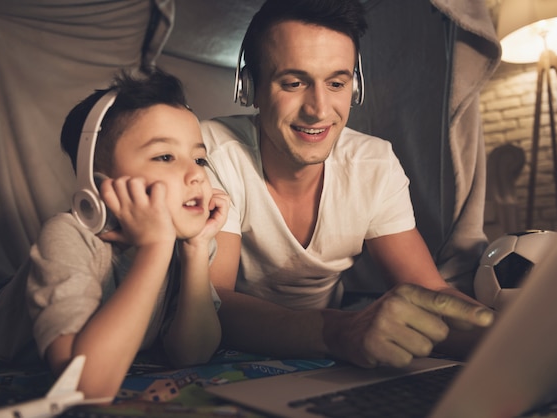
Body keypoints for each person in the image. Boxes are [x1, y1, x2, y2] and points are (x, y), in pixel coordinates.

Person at [201, 0, 494, 369]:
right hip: (264, 345)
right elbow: (215, 303)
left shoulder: (374, 164)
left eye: (337, 83)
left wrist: (512, 334)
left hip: (328, 341)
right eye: (293, 83)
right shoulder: (212, 149)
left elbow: (429, 291)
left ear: (354, 89)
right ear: (251, 89)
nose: (319, 110)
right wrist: (340, 332)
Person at [0, 69, 229, 399]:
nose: (195, 173)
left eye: (199, 158)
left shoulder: (183, 244)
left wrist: (195, 250)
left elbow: (192, 355)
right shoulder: (69, 236)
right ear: (99, 186)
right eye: (165, 156)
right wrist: (155, 248)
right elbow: (84, 384)